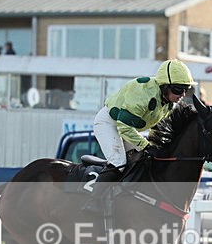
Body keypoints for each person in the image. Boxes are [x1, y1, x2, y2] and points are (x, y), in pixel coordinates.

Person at [84, 59, 195, 212]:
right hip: (109, 123)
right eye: (178, 89)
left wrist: (157, 146)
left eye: (186, 90)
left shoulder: (168, 103)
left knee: (145, 159)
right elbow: (123, 127)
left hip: (126, 127)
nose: (182, 95)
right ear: (165, 86)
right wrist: (146, 146)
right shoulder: (143, 95)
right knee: (118, 161)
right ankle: (93, 201)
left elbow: (156, 128)